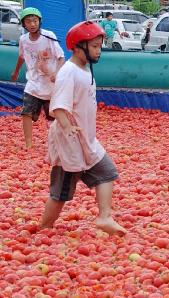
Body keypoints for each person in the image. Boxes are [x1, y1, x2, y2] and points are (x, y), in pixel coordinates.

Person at [40, 21, 126, 236]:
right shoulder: (68, 72)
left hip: (86, 139)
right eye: (95, 46)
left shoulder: (85, 70)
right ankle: (44, 228)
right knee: (61, 193)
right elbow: (57, 107)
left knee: (107, 172)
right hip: (69, 142)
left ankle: (104, 217)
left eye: (99, 46)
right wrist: (67, 127)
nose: (99, 51)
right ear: (78, 47)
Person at [10, 7, 65, 149]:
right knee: (26, 112)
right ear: (24, 24)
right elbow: (22, 56)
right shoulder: (23, 39)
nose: (32, 24)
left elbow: (61, 57)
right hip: (33, 82)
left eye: (35, 20)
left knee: (54, 115)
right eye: (28, 21)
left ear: (39, 21)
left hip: (51, 83)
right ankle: (29, 143)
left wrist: (56, 73)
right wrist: (15, 72)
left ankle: (59, 142)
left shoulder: (48, 36)